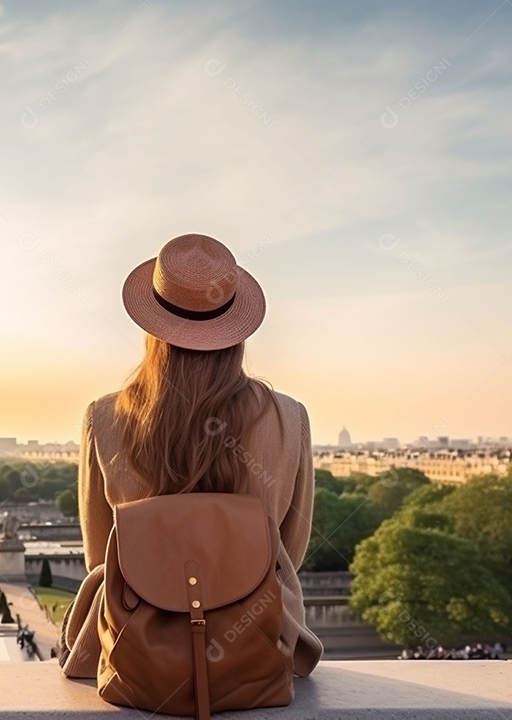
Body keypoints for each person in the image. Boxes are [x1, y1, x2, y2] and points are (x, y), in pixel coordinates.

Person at [59, 233, 323, 683]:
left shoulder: (103, 418)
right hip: (256, 646)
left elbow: (100, 555)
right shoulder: (289, 418)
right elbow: (289, 552)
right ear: (237, 330)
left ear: (152, 328)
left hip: (136, 650)